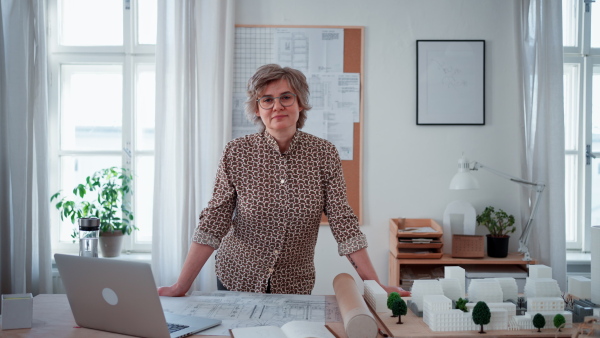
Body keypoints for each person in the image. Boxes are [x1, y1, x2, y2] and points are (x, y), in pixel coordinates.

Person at [158, 64, 409, 297]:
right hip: (236, 278)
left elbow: (343, 222)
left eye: (286, 97)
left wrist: (377, 287)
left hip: (294, 284)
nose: (277, 106)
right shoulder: (236, 152)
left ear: (299, 103)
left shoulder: (324, 154)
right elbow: (215, 219)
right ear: (257, 109)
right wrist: (181, 286)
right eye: (267, 100)